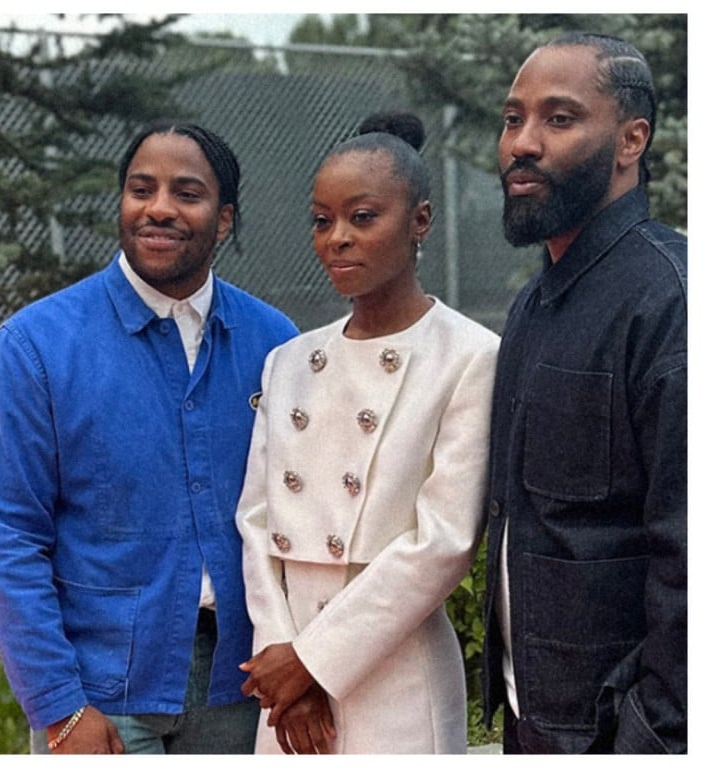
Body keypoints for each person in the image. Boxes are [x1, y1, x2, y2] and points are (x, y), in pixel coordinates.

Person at [0, 118, 298, 754]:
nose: (160, 209)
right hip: (98, 696)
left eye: (187, 193)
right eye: (141, 189)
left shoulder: (272, 343)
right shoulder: (35, 347)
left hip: (242, 689)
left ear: (224, 219)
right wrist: (58, 706)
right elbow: (7, 537)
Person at [235, 112, 499, 754]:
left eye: (362, 217)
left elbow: (444, 540)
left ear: (420, 222)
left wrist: (316, 660)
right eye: (322, 221)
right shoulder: (289, 361)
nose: (337, 239)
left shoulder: (470, 355)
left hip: (395, 669)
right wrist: (280, 655)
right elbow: (256, 518)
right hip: (286, 671)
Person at [482, 32, 687, 753]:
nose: (522, 144)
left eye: (559, 119)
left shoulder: (669, 301)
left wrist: (649, 735)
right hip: (533, 719)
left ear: (632, 140)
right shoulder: (536, 304)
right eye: (513, 119)